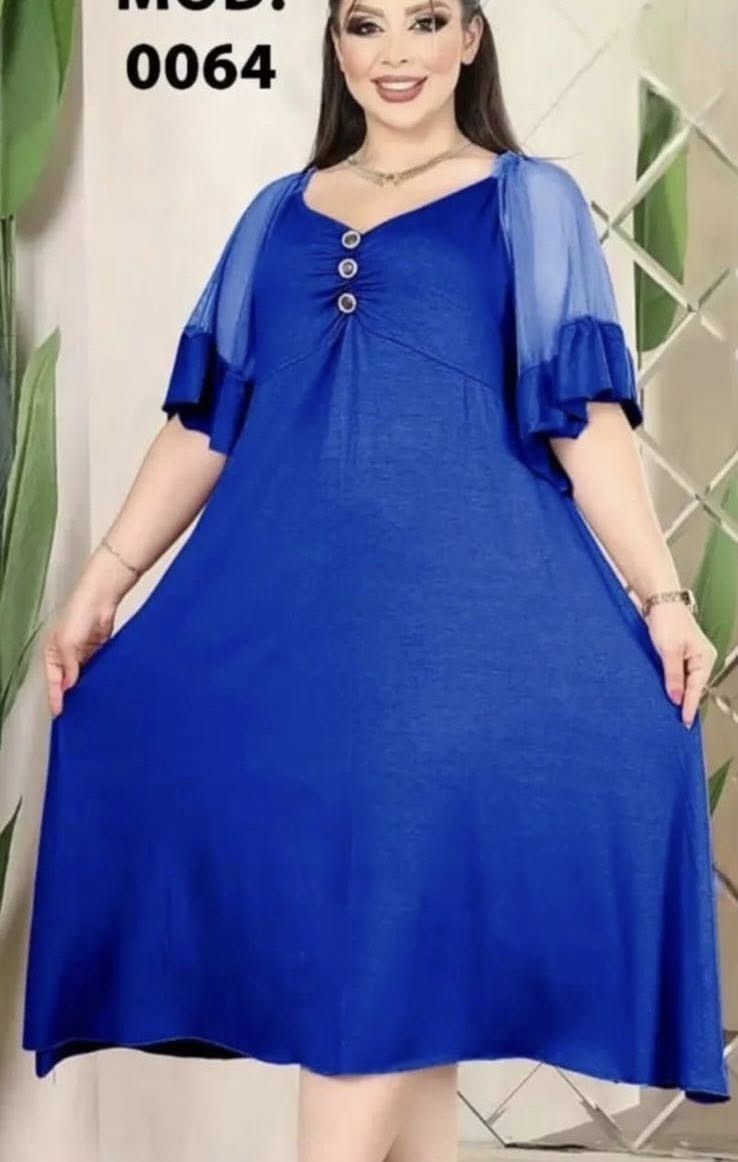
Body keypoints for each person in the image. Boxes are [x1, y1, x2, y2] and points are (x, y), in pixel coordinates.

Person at [23, 0, 730, 1158]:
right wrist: (105, 581)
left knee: (371, 972)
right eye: (365, 24)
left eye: (425, 19)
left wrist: (662, 598)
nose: (394, 52)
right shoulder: (275, 214)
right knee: (397, 998)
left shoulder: (528, 201)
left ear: (470, 37)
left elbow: (584, 417)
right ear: (336, 45)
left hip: (450, 644)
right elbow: (206, 424)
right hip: (288, 640)